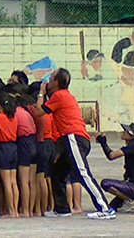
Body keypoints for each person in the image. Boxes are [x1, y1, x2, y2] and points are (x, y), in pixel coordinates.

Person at [35, 68, 114, 219]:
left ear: (56, 83)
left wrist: (41, 93)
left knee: (82, 173)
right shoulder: (63, 96)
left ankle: (105, 208)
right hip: (67, 140)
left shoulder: (59, 95)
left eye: (51, 79)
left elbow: (39, 111)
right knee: (57, 172)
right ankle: (62, 209)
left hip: (74, 138)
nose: (48, 81)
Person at [96, 122, 134, 212]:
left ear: (132, 135)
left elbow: (111, 156)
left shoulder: (132, 146)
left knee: (105, 183)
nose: (123, 132)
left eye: (126, 131)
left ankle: (130, 202)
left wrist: (103, 143)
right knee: (112, 206)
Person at [0, 92, 19, 218]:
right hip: (13, 147)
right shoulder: (14, 118)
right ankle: (15, 209)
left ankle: (10, 210)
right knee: (13, 181)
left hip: (2, 147)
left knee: (6, 182)